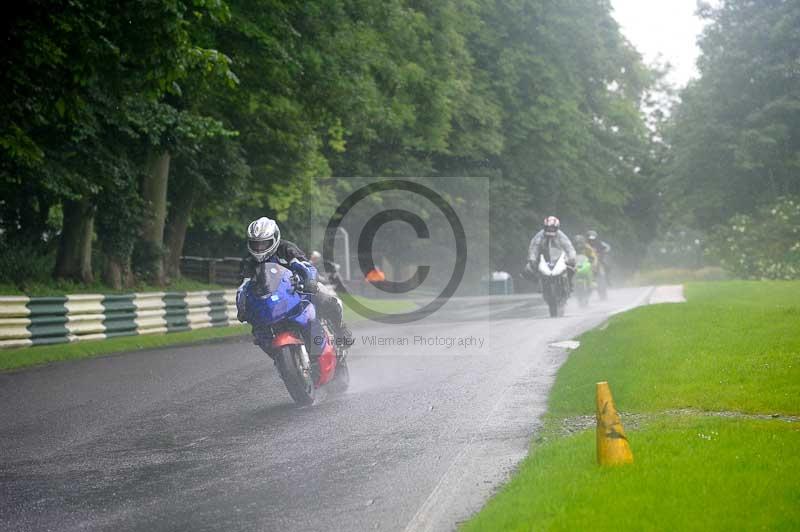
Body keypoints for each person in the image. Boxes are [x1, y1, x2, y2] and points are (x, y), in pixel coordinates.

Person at [239, 217, 352, 348]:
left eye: (264, 243)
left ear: (275, 239)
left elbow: (306, 266)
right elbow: (244, 286)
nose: (259, 248)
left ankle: (340, 330)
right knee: (258, 332)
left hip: (297, 289)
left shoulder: (286, 249)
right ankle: (278, 357)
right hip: (271, 298)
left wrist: (309, 281)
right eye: (255, 244)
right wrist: (241, 306)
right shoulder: (248, 261)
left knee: (325, 298)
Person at [525, 216, 576, 288]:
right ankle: (539, 283)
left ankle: (570, 284)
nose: (550, 230)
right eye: (548, 227)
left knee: (572, 267)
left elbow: (569, 247)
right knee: (528, 269)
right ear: (545, 227)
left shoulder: (561, 235)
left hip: (559, 258)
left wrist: (572, 257)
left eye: (552, 228)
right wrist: (532, 258)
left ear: (557, 227)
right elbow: (534, 247)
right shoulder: (540, 236)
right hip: (542, 257)